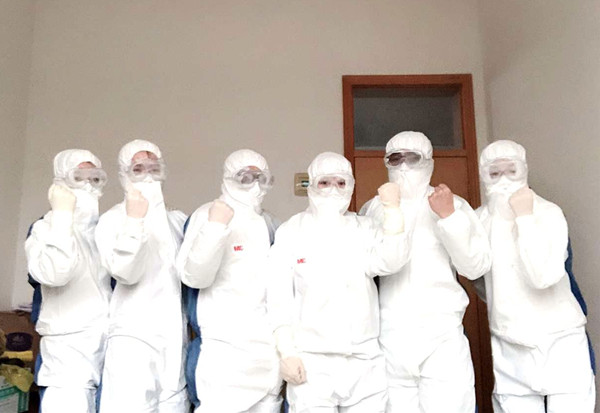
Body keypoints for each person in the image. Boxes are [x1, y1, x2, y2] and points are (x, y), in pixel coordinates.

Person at [360, 131, 491, 413]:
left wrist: (449, 218)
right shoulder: (373, 209)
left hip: (442, 334)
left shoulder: (453, 205)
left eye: (413, 158)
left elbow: (475, 266)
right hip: (390, 337)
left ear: (429, 161)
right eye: (395, 159)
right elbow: (362, 272)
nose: (404, 167)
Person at [267, 152, 408, 413]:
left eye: (341, 183)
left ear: (351, 186)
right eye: (325, 182)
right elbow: (278, 298)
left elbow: (391, 261)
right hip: (312, 361)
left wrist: (393, 212)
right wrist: (287, 352)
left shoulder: (364, 228)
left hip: (364, 359)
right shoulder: (292, 231)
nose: (333, 190)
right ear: (311, 184)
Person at [475, 139, 595, 412]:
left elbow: (543, 275)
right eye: (494, 173)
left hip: (559, 339)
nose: (504, 180)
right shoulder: (480, 220)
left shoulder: (548, 213)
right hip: (509, 343)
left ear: (524, 169)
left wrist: (525, 218)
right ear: (483, 174)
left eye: (511, 171)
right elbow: (478, 279)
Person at [176, 149, 282, 412]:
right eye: (245, 177)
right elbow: (194, 275)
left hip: (265, 352)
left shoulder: (268, 222)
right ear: (228, 177)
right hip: (222, 352)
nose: (254, 184)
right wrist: (215, 227)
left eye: (260, 177)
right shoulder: (207, 214)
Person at [95, 139, 189, 412]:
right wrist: (134, 222)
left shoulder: (177, 221)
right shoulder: (113, 219)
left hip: (174, 335)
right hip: (133, 334)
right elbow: (125, 272)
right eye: (138, 169)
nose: (148, 175)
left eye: (154, 167)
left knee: (174, 405)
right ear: (124, 173)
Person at [25, 149, 112, 412]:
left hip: (105, 338)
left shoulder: (104, 230)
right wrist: (62, 215)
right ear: (61, 180)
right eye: (79, 177)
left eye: (94, 178)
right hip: (67, 345)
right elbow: (55, 273)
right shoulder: (45, 228)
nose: (88, 185)